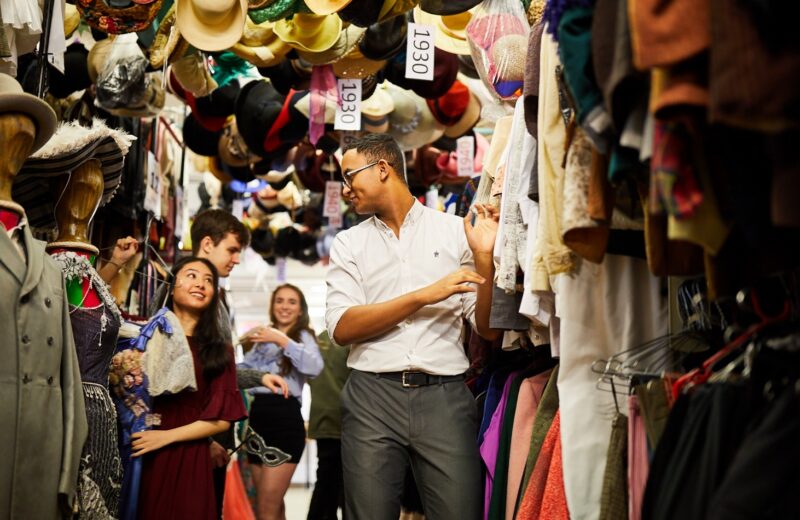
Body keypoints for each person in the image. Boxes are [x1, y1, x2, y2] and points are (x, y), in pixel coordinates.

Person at [325, 133, 500, 520]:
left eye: (350, 175)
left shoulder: (456, 230)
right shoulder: (349, 243)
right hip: (372, 395)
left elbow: (487, 330)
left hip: (446, 396)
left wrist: (485, 260)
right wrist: (425, 295)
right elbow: (342, 327)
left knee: (461, 512)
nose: (346, 188)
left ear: (382, 169)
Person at [132, 256, 248, 519]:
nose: (201, 284)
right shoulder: (144, 338)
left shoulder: (220, 351)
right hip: (142, 448)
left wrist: (164, 437)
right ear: (172, 286)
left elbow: (220, 420)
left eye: (208, 280)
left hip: (189, 454)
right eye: (192, 275)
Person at [191, 208, 289, 517]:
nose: (236, 259)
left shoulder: (216, 299)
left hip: (213, 435)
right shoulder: (187, 294)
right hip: (196, 438)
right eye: (232, 250)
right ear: (207, 244)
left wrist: (259, 378)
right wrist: (203, 440)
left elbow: (217, 372)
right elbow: (180, 378)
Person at [239, 283, 324, 520]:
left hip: (285, 419)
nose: (284, 306)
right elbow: (244, 373)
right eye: (280, 300)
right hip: (257, 420)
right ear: (272, 306)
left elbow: (315, 368)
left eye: (292, 301)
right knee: (270, 506)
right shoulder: (260, 339)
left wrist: (281, 339)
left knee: (267, 507)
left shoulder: (304, 336)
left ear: (300, 310)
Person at [307, 331, 350, 520]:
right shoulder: (350, 339)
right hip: (347, 421)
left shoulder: (318, 340)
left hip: (325, 419)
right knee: (347, 485)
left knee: (326, 482)